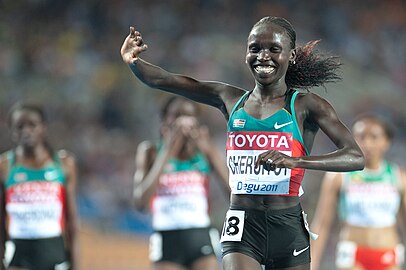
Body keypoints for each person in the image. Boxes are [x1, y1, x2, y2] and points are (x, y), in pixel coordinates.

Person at [121, 16, 365, 270]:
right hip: (242, 225)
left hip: (288, 226)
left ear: (290, 55)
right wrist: (134, 62)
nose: (263, 56)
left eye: (273, 49)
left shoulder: (306, 105)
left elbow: (355, 157)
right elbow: (165, 80)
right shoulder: (229, 99)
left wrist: (296, 161)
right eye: (255, 48)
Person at [133, 95, 229, 270]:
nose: (183, 122)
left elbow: (234, 195)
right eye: (177, 115)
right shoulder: (151, 151)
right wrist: (168, 151)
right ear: (165, 121)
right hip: (166, 235)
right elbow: (140, 202)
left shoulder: (204, 150)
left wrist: (209, 150)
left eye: (189, 115)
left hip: (200, 233)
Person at [311, 114, 406, 270]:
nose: (367, 143)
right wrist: (312, 263)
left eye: (374, 137)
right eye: (361, 137)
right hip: (353, 256)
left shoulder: (399, 177)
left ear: (386, 142)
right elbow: (321, 224)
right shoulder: (338, 177)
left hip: (389, 255)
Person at [0, 103, 79, 270]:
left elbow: (71, 221)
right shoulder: (5, 166)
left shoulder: (64, 164)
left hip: (54, 252)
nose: (26, 131)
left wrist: (76, 264)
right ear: (13, 131)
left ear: (43, 127)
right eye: (19, 127)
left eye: (32, 125)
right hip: (18, 254)